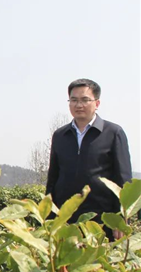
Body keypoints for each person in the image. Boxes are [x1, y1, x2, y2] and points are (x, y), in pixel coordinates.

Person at [46, 78, 132, 240]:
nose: (79, 105)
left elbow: (123, 179)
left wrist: (120, 219)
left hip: (101, 220)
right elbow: (53, 178)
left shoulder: (113, 133)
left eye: (85, 100)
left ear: (97, 103)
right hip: (66, 219)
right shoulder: (60, 135)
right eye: (74, 100)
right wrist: (49, 217)